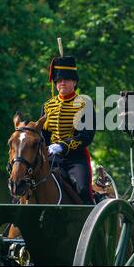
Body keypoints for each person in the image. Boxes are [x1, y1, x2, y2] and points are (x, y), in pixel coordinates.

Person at [41, 55, 95, 205]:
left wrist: (62, 146)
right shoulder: (47, 106)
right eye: (58, 80)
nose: (61, 83)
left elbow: (86, 136)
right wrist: (45, 149)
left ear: (74, 81)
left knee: (83, 189)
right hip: (51, 158)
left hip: (75, 159)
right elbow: (43, 134)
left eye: (66, 79)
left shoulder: (85, 104)